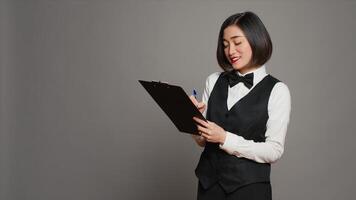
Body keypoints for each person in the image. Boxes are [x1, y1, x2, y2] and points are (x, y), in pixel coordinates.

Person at [190, 11, 291, 200]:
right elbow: (202, 141)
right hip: (208, 186)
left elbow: (274, 151)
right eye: (225, 44)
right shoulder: (213, 80)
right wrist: (194, 120)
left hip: (249, 190)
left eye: (237, 42)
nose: (230, 51)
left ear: (256, 39)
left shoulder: (278, 90)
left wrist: (225, 138)